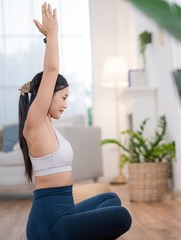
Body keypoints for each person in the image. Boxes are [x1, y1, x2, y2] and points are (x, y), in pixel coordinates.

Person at [18, 3, 131, 239]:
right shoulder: (35, 122)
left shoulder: (48, 125)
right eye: (64, 98)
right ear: (47, 95)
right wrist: (52, 35)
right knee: (122, 217)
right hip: (49, 223)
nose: (66, 104)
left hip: (65, 211)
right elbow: (51, 70)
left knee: (111, 198)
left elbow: (49, 75)